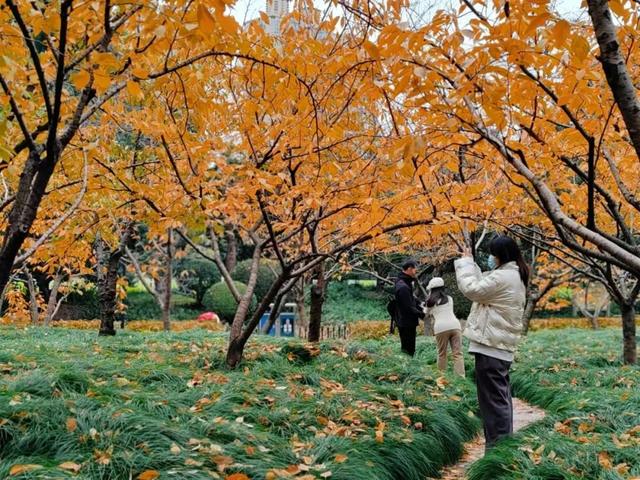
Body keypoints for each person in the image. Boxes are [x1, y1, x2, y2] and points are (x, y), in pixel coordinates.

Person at [454, 235, 529, 451]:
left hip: (491, 349)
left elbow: (472, 290)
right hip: (497, 348)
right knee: (499, 401)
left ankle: (499, 453)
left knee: (494, 405)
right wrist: (470, 263)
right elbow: (482, 286)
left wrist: (466, 263)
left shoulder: (504, 277)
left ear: (500, 256)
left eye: (492, 254)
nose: (490, 258)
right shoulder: (512, 274)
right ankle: (501, 451)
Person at [424, 277, 465, 377]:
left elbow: (426, 313)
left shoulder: (430, 302)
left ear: (431, 289)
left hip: (441, 328)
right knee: (458, 353)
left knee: (442, 354)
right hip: (455, 326)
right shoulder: (449, 299)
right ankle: (461, 378)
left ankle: (442, 377)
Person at [394, 260, 425, 356]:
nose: (416, 271)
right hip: (406, 322)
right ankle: (407, 368)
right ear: (409, 269)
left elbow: (410, 299)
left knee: (407, 348)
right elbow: (408, 307)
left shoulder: (403, 282)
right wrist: (423, 315)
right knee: (408, 349)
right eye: (415, 269)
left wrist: (421, 303)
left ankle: (407, 366)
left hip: (404, 320)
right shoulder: (403, 286)